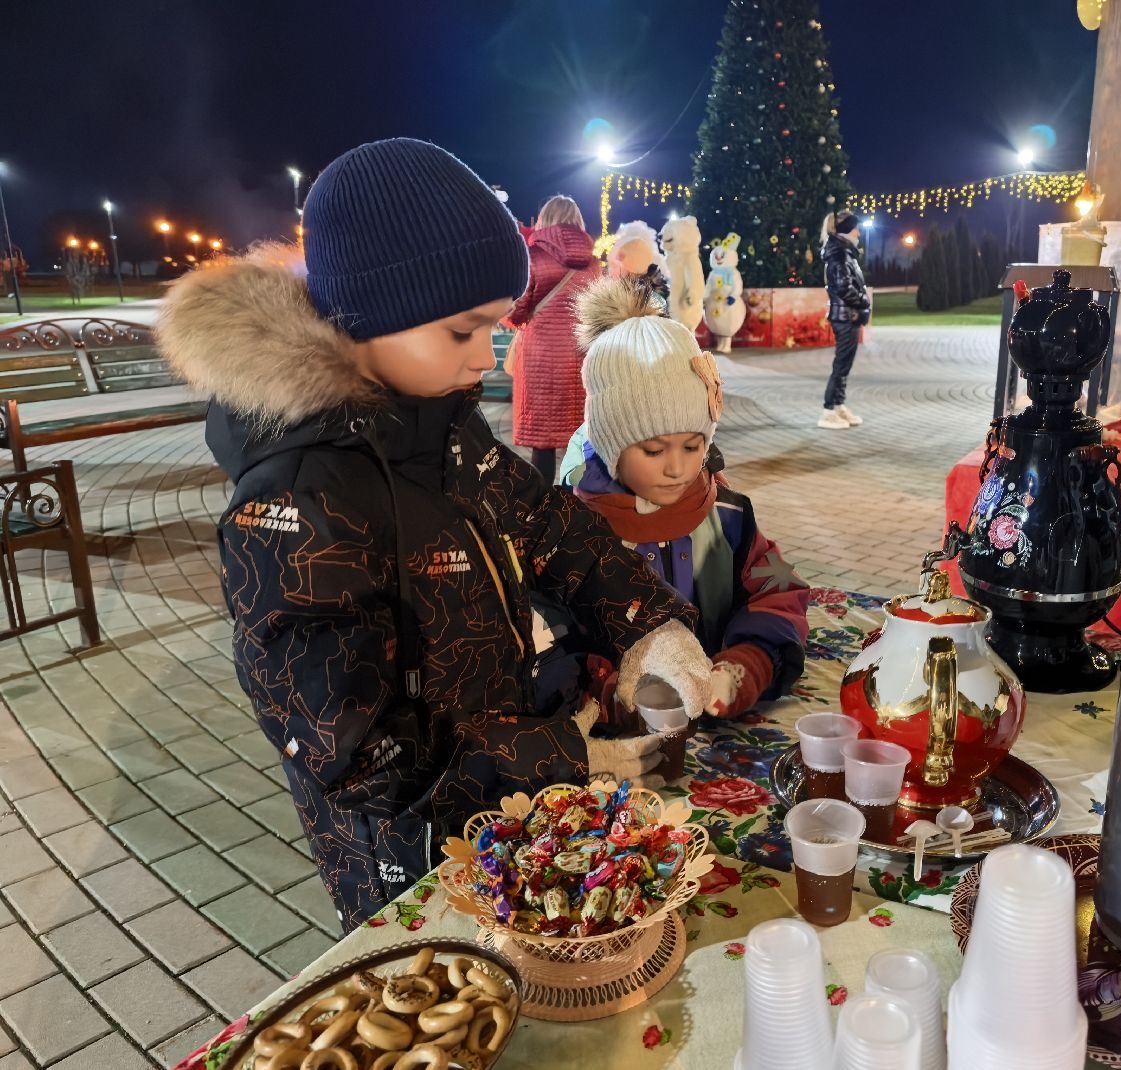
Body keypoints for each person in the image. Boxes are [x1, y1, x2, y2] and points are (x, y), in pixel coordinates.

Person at [156, 139, 716, 930]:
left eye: (492, 328)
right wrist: (553, 762)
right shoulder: (295, 502)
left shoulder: (442, 427)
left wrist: (647, 625)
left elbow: (548, 522)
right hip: (408, 854)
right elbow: (352, 749)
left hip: (501, 797)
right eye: (462, 331)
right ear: (365, 322)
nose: (486, 357)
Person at [563, 277, 809, 720]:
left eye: (694, 445)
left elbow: (780, 590)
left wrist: (745, 663)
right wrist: (608, 691)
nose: (677, 468)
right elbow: (550, 635)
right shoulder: (572, 532)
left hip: (716, 727)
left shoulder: (729, 516)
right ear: (610, 443)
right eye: (654, 450)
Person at [505, 195, 600, 485]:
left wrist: (507, 318)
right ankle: (578, 504)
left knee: (542, 442)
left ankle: (542, 505)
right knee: (581, 436)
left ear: (544, 219)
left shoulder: (533, 258)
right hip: (579, 355)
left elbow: (517, 311)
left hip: (540, 358)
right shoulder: (593, 263)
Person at [819, 210, 870, 431]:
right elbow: (844, 287)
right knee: (841, 365)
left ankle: (838, 405)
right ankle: (829, 411)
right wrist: (863, 302)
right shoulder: (839, 254)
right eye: (856, 227)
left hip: (849, 315)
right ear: (848, 229)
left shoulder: (844, 252)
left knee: (845, 365)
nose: (859, 232)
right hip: (845, 316)